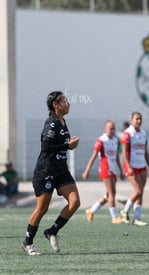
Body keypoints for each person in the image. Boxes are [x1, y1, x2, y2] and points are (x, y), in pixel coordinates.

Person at [21, 91, 80, 256]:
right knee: (41, 209)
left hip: (61, 171)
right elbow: (46, 147)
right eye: (65, 101)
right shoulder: (51, 123)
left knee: (75, 202)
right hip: (46, 171)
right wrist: (68, 146)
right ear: (56, 105)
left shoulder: (62, 121)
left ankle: (52, 231)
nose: (68, 103)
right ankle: (27, 242)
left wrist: (68, 144)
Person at [82, 120, 125, 224]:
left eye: (114, 128)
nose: (112, 130)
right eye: (110, 128)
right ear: (105, 129)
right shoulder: (101, 140)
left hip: (113, 169)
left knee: (109, 194)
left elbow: (116, 157)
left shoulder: (115, 140)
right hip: (105, 169)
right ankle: (114, 217)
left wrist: (121, 171)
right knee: (111, 194)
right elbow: (93, 156)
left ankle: (91, 211)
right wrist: (87, 170)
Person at [120, 112, 149, 226]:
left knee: (140, 192)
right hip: (131, 166)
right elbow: (124, 152)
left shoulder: (143, 133)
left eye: (140, 119)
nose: (138, 121)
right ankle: (124, 211)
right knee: (138, 190)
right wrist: (128, 166)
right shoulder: (127, 134)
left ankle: (137, 218)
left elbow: (146, 151)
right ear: (131, 120)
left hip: (142, 166)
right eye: (136, 119)